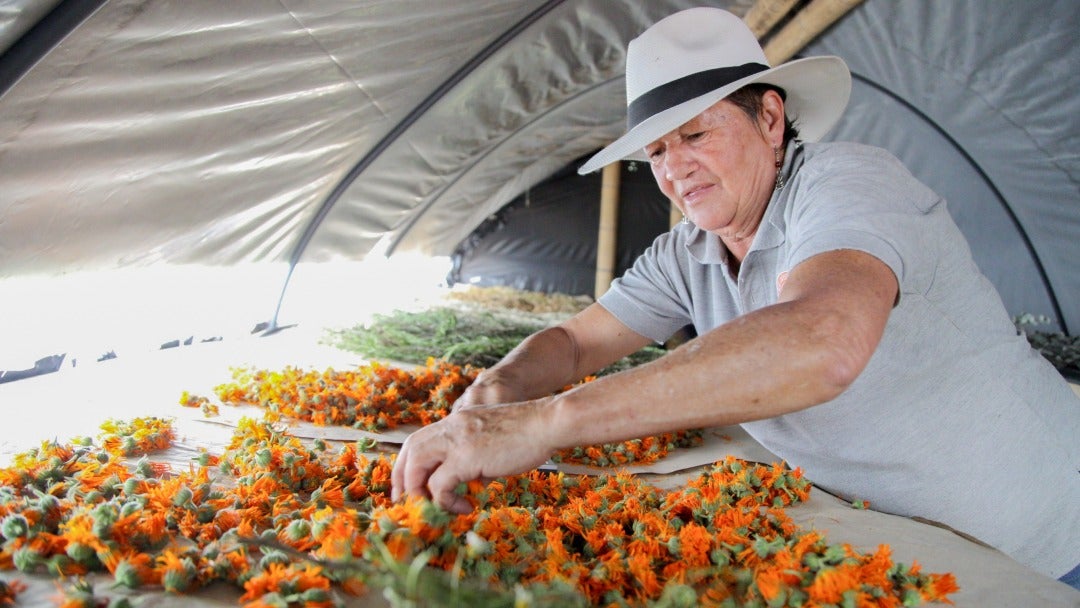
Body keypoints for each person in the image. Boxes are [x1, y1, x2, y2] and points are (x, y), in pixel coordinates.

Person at [391, 7, 1080, 586]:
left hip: (1043, 545)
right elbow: (574, 341)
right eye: (656, 152)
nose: (674, 169)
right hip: (915, 552)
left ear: (771, 118)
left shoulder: (847, 185)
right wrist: (497, 393)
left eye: (695, 134)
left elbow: (821, 338)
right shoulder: (689, 253)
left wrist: (547, 424)